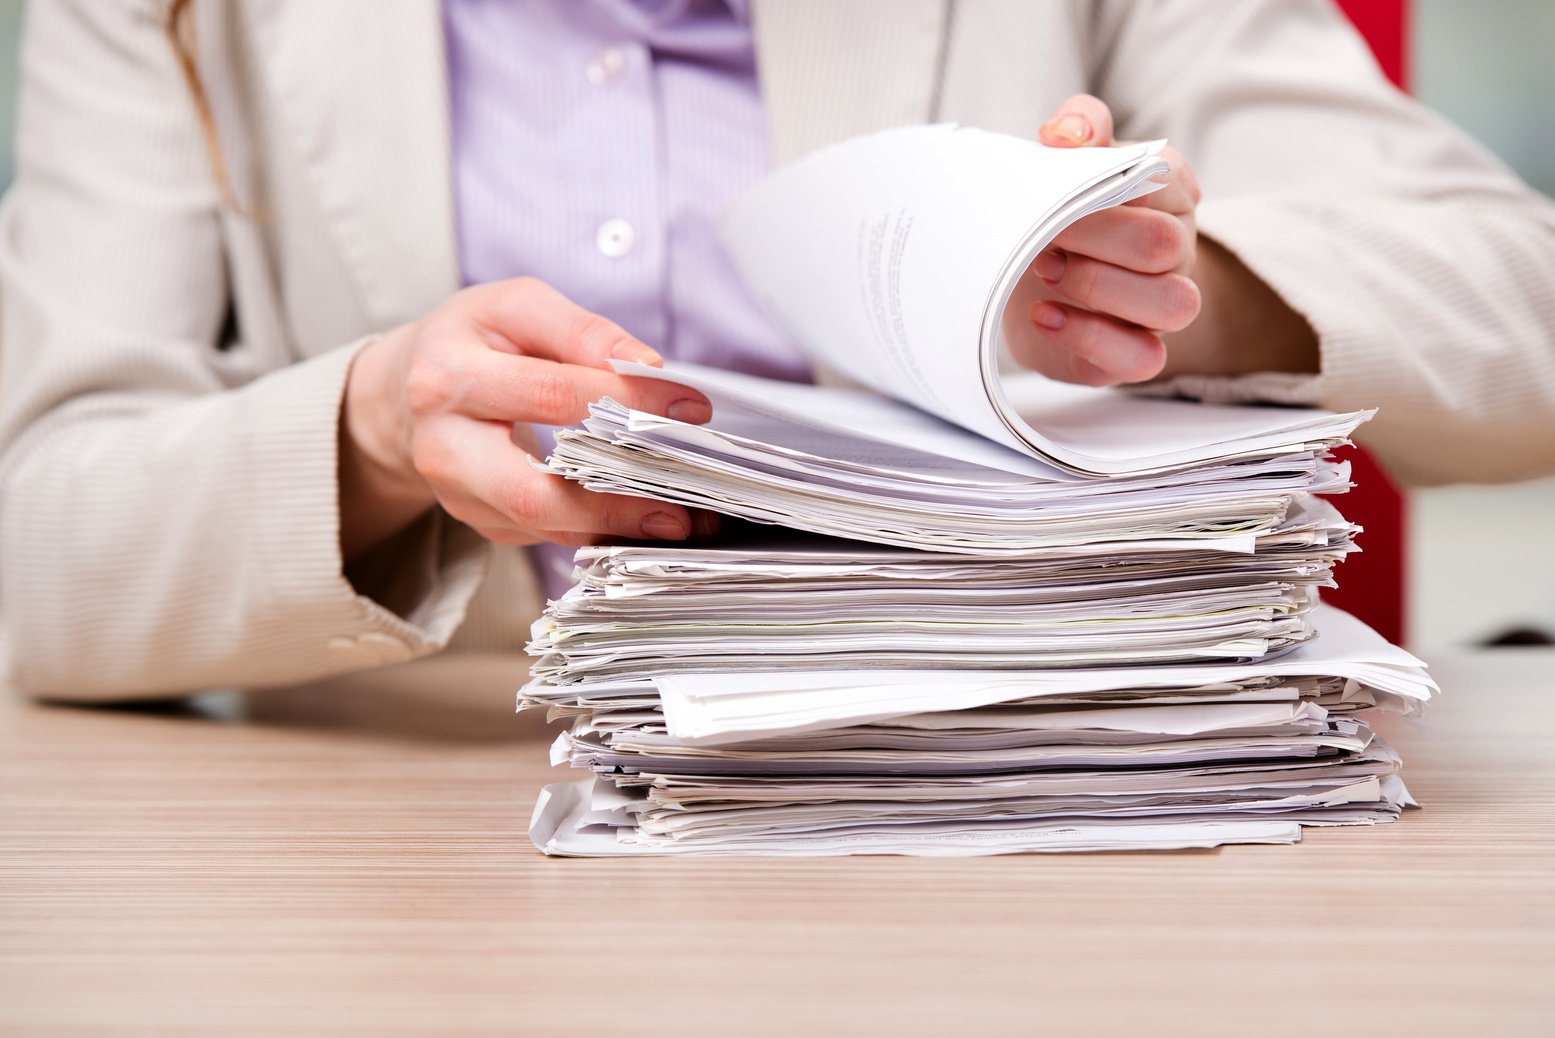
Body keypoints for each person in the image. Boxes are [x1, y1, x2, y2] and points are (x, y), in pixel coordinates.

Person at [1, 0, 1552, 701]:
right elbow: (41, 546)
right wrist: (366, 435)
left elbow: (1518, 309)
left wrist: (1175, 287)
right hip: (418, 852)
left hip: (1024, 800)